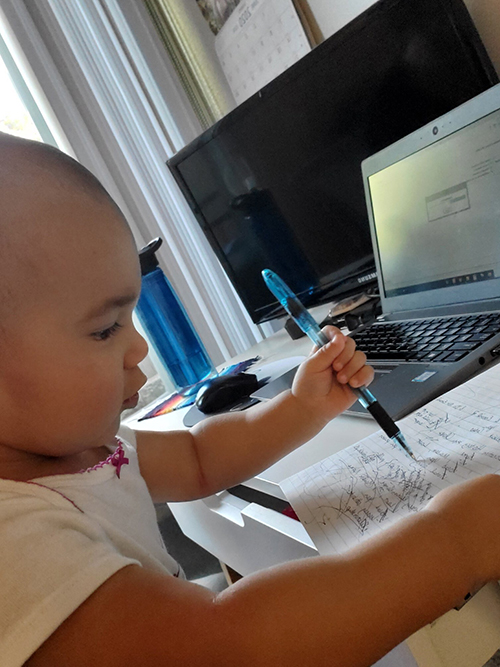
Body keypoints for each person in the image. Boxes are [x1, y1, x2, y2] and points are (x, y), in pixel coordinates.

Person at [1, 132, 500, 667]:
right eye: (104, 329)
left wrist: (304, 406)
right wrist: (454, 540)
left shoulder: (92, 447)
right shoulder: (15, 546)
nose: (139, 347)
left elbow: (197, 460)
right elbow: (231, 646)